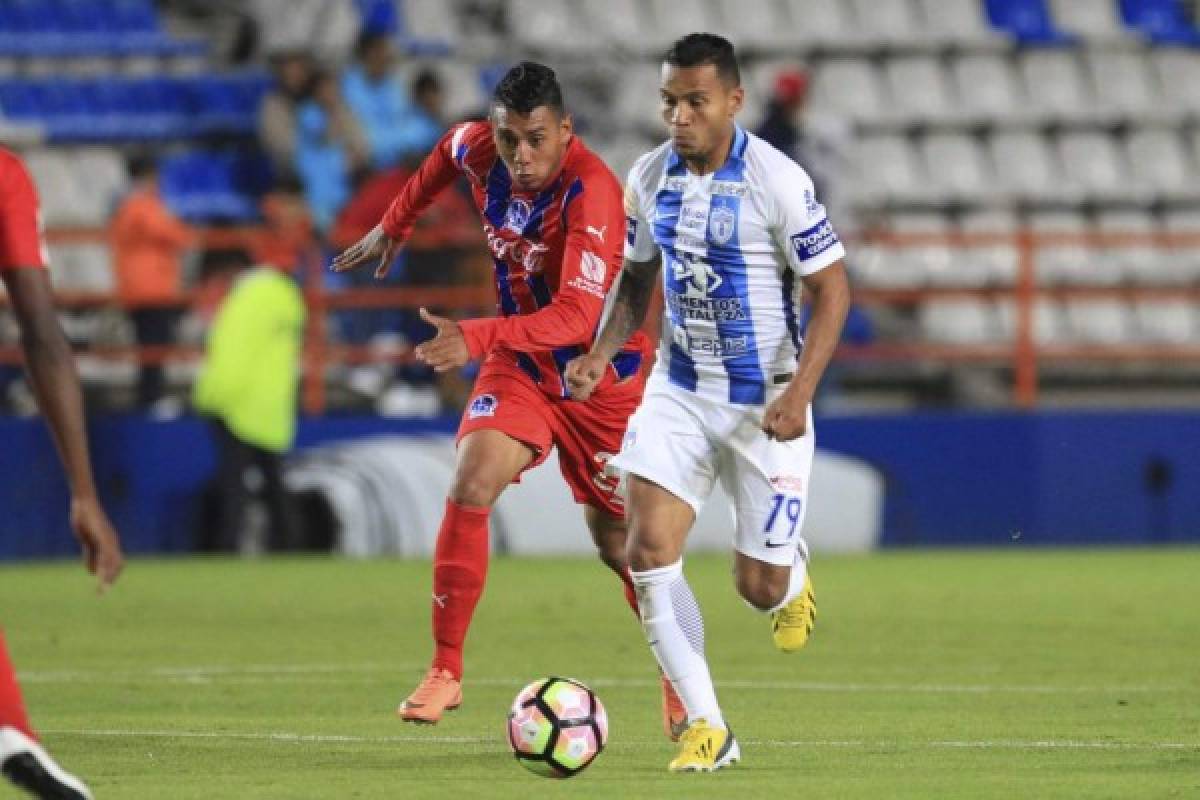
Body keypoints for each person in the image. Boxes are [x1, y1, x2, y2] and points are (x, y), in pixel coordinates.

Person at [331, 61, 687, 736]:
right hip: (519, 363)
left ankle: (680, 678)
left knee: (626, 546)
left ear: (565, 131)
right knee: (471, 481)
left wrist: (475, 334)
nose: (521, 156)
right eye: (509, 140)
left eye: (536, 139)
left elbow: (577, 320)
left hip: (599, 375)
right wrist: (396, 221)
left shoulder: (594, 194)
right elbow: (444, 153)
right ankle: (445, 669)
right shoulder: (478, 148)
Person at [565, 34, 851, 773]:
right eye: (669, 100)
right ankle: (708, 727)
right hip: (680, 391)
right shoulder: (648, 177)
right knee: (647, 550)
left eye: (695, 100)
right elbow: (635, 278)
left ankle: (790, 571)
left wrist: (802, 392)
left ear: (733, 101)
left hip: (767, 404)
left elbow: (832, 290)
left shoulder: (779, 180)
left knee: (758, 589)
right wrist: (601, 351)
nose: (679, 115)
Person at [0, 147, 124, 799]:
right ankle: (8, 733)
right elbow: (43, 334)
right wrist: (83, 492)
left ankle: (7, 732)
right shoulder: (6, 175)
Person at [192, 248, 305, 553]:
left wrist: (208, 398)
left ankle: (229, 548)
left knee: (234, 486)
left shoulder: (243, 301)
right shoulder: (287, 295)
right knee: (274, 486)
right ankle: (291, 548)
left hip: (237, 405)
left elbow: (230, 356)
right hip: (274, 406)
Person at [110, 154, 196, 410]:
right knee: (154, 346)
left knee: (151, 346)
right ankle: (151, 399)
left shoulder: (129, 204)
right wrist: (184, 231)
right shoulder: (141, 205)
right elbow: (175, 234)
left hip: (141, 287)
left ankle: (150, 397)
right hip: (150, 289)